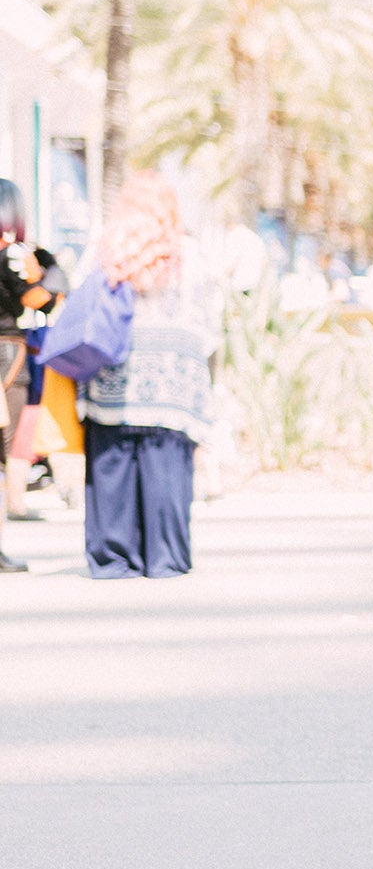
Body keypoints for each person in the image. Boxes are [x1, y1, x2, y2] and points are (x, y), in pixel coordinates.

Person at [77, 172, 215, 579]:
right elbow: (209, 318)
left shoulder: (105, 249)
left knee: (112, 464)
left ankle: (114, 558)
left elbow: (81, 302)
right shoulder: (188, 253)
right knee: (166, 469)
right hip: (173, 384)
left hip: (112, 374)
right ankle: (165, 555)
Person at [0, 177, 69, 572]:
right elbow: (35, 299)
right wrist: (54, 275)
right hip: (7, 354)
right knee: (6, 450)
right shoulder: (10, 255)